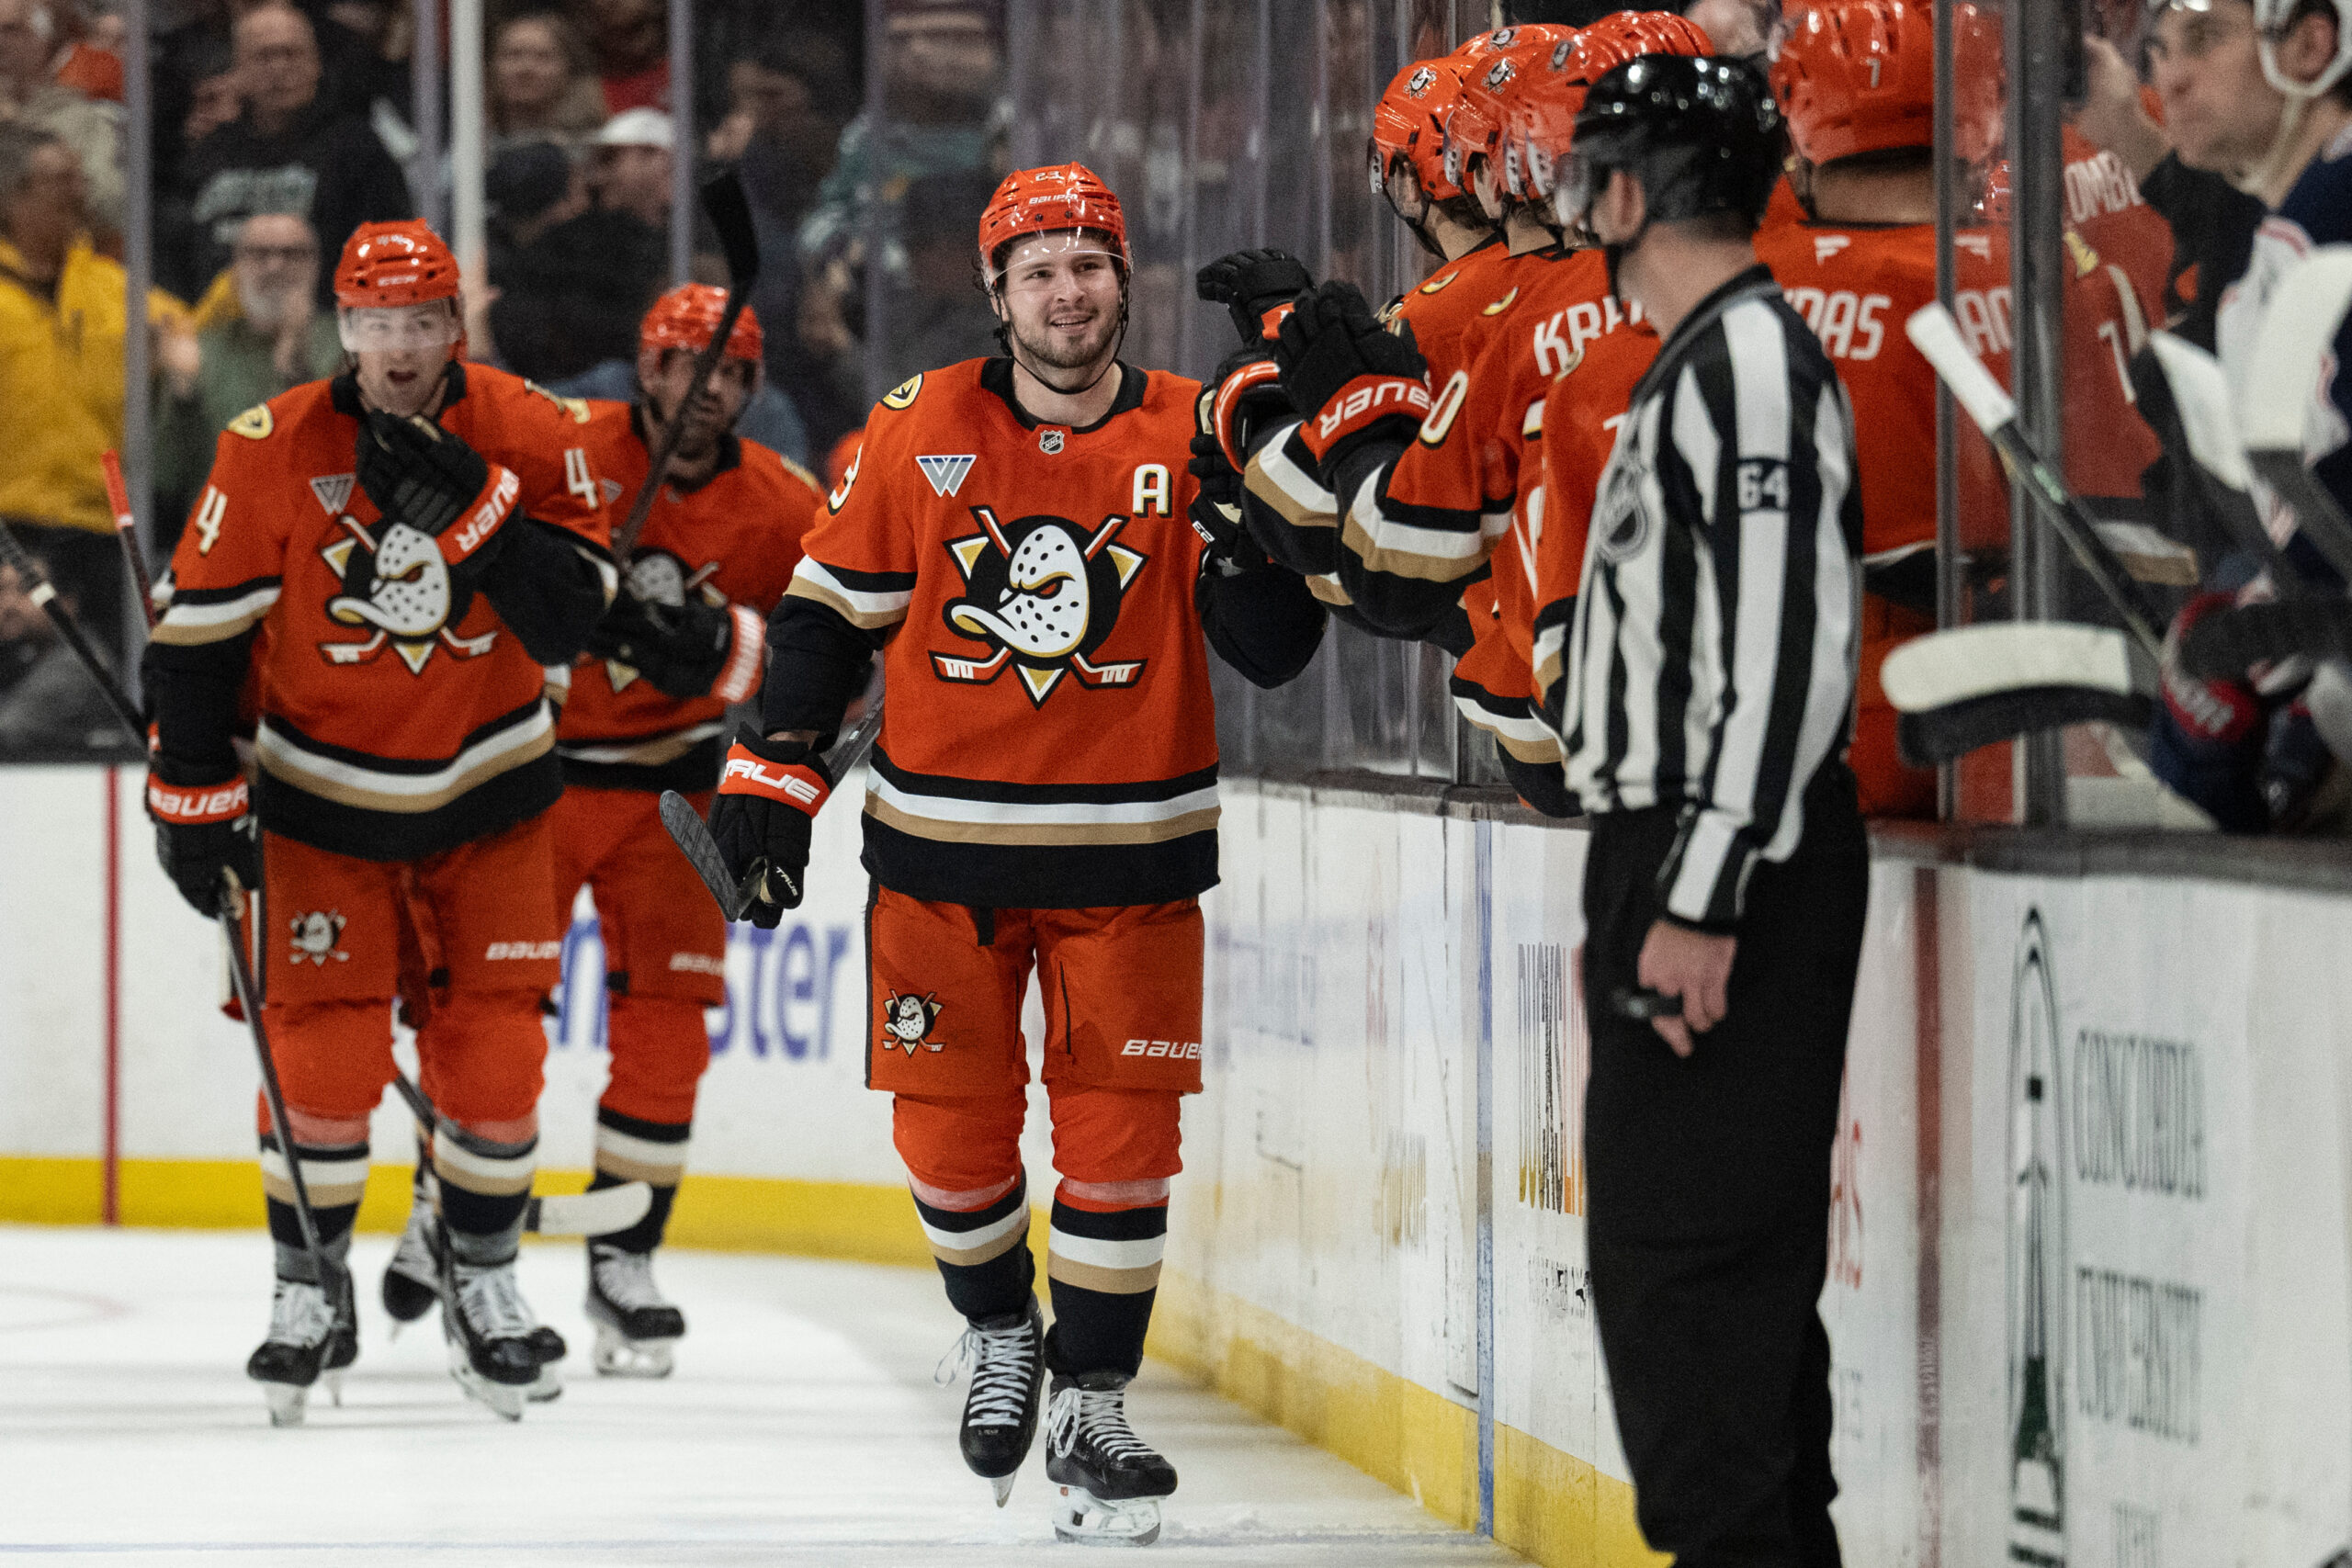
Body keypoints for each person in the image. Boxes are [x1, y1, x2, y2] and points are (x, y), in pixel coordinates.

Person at [707, 163, 1325, 1544]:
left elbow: (1274, 649)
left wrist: (1261, 510)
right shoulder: (918, 424)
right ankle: (999, 1327)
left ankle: (1093, 1396)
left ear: (1125, 279)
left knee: (1123, 1144)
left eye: (1090, 263)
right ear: (997, 293)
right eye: (1039, 268)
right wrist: (772, 771)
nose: (1069, 290)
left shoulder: (1195, 429)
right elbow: (824, 615)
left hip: (1137, 865)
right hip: (940, 859)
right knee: (948, 1129)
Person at [140, 219, 616, 1425]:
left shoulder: (538, 430)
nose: (398, 350)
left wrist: (485, 511)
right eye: (374, 323)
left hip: (492, 793)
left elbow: (576, 619)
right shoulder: (268, 447)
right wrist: (192, 793)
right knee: (321, 1063)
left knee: (498, 1059)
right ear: (340, 327)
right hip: (321, 807)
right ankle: (310, 1288)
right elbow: (194, 646)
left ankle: (488, 1283)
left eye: (420, 322)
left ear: (457, 323)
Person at [1544, 53, 1866, 1566]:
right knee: (1699, 1294)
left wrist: (1703, 888)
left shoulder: (1743, 362)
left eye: (1597, 161)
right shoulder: (1706, 360)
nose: (1577, 193)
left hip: (1716, 856)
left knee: (1691, 1284)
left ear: (1642, 184)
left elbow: (1785, 644)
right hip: (1683, 846)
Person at [379, 286, 822, 1376]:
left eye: (725, 373)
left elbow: (829, 646)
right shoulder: (565, 451)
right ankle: (450, 1202)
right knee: (492, 1011)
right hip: (534, 777)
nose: (703, 387)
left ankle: (625, 1253)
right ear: (645, 367)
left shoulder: (781, 504)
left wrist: (728, 643)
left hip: (675, 795)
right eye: (683, 365)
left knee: (668, 1027)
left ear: (750, 388)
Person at [2141, 0, 2352, 831]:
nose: (2172, 75)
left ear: (2312, 42)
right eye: (2158, 50)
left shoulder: (2334, 211)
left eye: (2206, 38)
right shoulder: (2285, 231)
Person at [0, 122, 187, 655]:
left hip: (103, 528)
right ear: (13, 195)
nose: (79, 192)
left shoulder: (111, 287)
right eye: (59, 180)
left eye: (78, 178)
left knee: (132, 677)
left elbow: (194, 333)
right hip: (10, 525)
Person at [167, 3, 413, 302]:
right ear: (239, 70)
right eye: (264, 56)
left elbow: (388, 256)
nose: (279, 68)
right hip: (217, 330)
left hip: (325, 329)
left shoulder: (358, 151)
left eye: (291, 53)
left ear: (316, 65)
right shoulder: (209, 155)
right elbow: (174, 254)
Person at [156, 213, 345, 527]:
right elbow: (166, 479)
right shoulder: (205, 350)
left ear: (315, 264)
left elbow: (344, 458)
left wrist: (298, 372)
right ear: (237, 265)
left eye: (291, 254)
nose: (275, 266)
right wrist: (182, 399)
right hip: (222, 541)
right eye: (260, 254)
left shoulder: (348, 346)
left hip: (321, 539)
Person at [0, 0, 121, 238]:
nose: (0, 43)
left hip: (56, 252)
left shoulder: (80, 118)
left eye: (11, 30)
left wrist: (59, 176)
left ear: (40, 41)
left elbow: (111, 202)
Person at [0, 547, 121, 753]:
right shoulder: (25, 656)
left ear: (66, 603)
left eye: (25, 589)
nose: (8, 604)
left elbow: (7, 728)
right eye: (2, 590)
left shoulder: (80, 663)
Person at [488, 11, 605, 152]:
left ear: (567, 69)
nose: (526, 68)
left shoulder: (596, 153)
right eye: (514, 55)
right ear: (492, 66)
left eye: (542, 57)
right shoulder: (467, 146)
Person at [587, 107, 673, 232]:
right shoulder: (581, 234)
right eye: (604, 159)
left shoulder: (691, 235)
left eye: (610, 158)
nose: (600, 172)